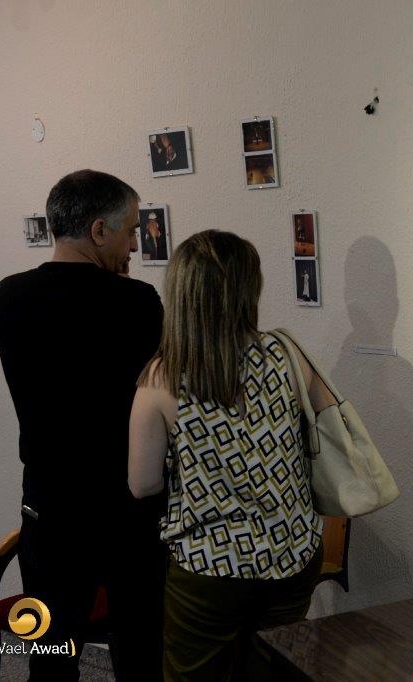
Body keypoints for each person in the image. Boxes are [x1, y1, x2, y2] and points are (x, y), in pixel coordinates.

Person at [128, 230, 335, 681]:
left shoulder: (162, 377)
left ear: (180, 294)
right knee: (276, 670)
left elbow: (142, 484)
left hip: (209, 566)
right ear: (249, 288)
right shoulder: (286, 353)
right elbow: (326, 422)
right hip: (292, 552)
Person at [0, 170, 165, 681]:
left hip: (50, 506)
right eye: (130, 231)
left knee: (50, 657)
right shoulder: (137, 302)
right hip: (129, 505)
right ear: (98, 230)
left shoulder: (8, 298)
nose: (135, 245)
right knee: (141, 654)